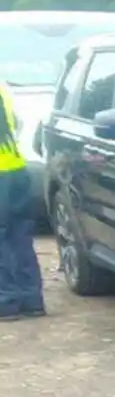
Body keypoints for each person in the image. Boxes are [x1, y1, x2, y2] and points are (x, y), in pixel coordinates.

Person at [0, 77, 46, 319]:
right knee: (20, 238)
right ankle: (32, 300)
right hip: (16, 170)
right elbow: (16, 123)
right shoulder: (3, 86)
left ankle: (6, 303)